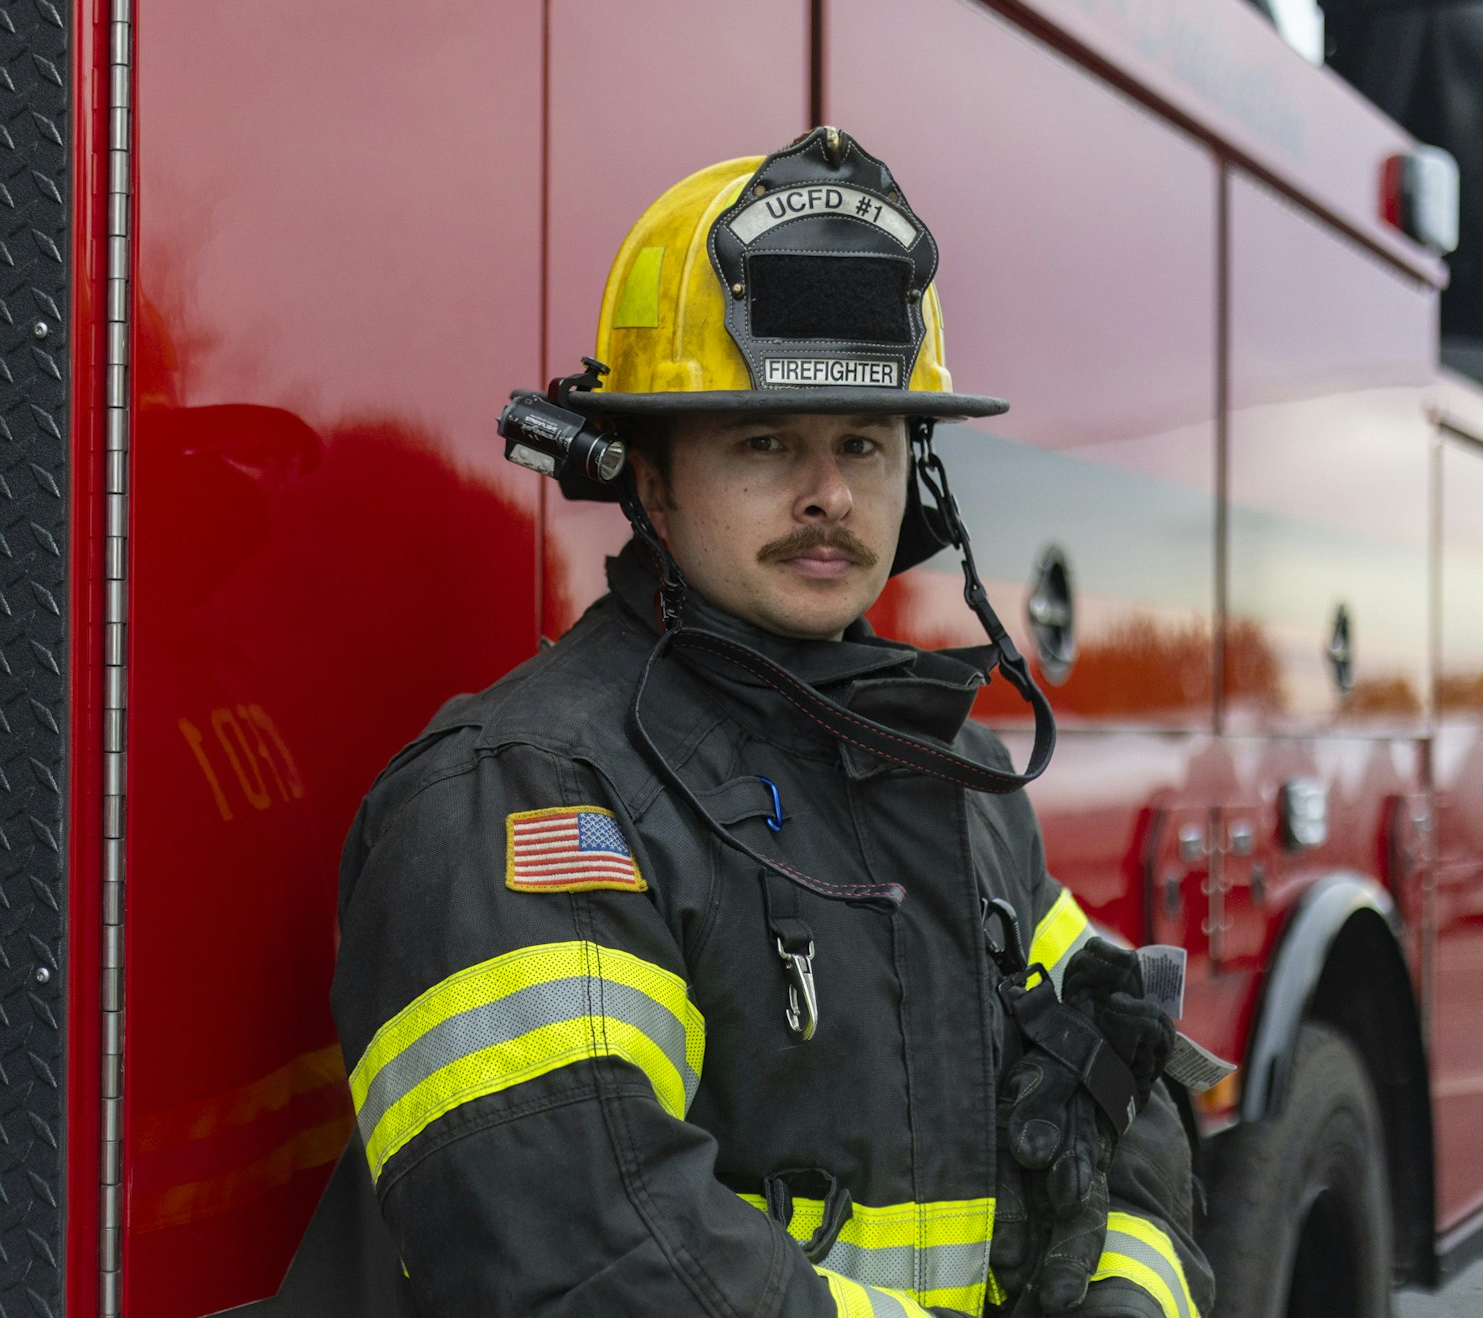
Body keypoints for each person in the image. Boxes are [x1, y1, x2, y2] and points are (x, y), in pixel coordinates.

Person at [330, 128, 1214, 1318]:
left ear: (919, 480)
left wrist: (1128, 1293)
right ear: (649, 477)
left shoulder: (944, 768)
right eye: (763, 441)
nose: (828, 493)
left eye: (862, 442)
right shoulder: (530, 796)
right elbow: (589, 1259)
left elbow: (1116, 1076)